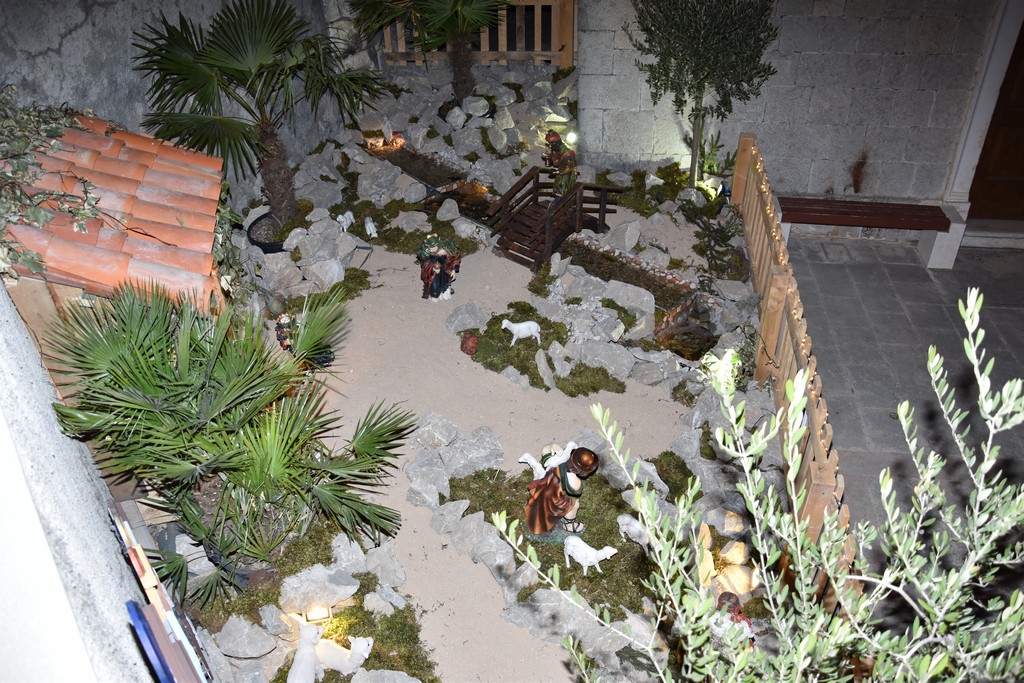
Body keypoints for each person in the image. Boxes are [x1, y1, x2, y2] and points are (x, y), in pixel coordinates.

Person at [524, 446, 599, 535]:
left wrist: (552, 446)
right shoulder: (575, 482)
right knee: (575, 504)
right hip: (552, 499)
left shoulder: (557, 461)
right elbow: (576, 493)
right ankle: (569, 525)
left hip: (542, 488)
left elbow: (545, 450)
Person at [417, 233, 462, 300]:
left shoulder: (446, 249)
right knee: (434, 285)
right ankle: (435, 294)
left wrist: (453, 269)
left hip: (445, 268)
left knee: (446, 281)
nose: (431, 250)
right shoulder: (426, 251)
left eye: (433, 247)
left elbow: (454, 258)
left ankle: (446, 291)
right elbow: (424, 263)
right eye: (430, 247)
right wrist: (433, 268)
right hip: (433, 270)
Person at [541, 129, 578, 198]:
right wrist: (549, 156)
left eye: (552, 144)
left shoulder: (567, 154)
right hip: (560, 178)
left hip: (566, 179)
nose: (551, 146)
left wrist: (556, 171)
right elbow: (557, 159)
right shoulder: (558, 151)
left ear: (557, 143)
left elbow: (568, 168)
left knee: (564, 194)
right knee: (558, 193)